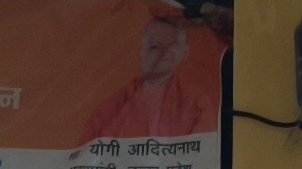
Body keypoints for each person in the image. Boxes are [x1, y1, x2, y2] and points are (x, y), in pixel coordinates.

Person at [85, 9, 221, 139]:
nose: (164, 53)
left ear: (185, 52)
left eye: (172, 46)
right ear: (140, 52)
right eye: (154, 46)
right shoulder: (112, 108)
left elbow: (203, 150)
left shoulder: (196, 103)